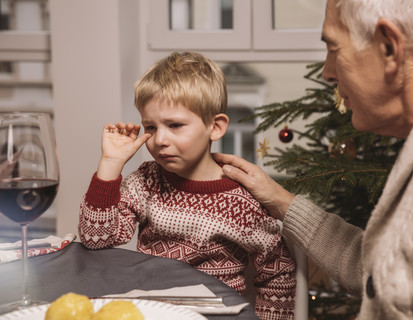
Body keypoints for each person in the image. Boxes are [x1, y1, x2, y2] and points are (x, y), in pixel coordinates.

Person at [214, 0, 413, 319]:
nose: (328, 73)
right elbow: (383, 271)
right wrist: (280, 200)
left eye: (334, 49)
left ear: (388, 47)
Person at [78, 51, 296, 320]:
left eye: (175, 125)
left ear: (215, 127)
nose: (160, 140)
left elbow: (277, 271)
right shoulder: (147, 181)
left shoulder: (242, 199)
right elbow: (95, 239)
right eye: (151, 127)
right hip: (151, 310)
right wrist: (110, 164)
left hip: (214, 314)